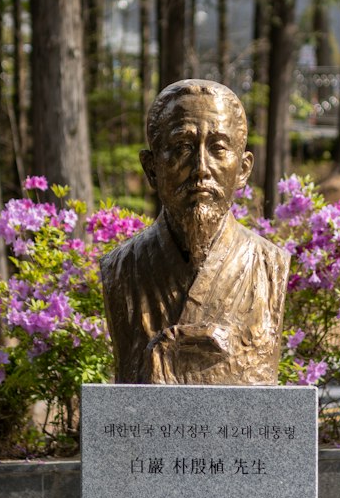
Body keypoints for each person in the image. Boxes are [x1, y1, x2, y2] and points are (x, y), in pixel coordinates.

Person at [99, 79, 290, 384]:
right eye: (182, 147)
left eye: (218, 148)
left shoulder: (269, 265)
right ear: (151, 169)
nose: (201, 166)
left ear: (242, 169)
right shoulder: (122, 268)